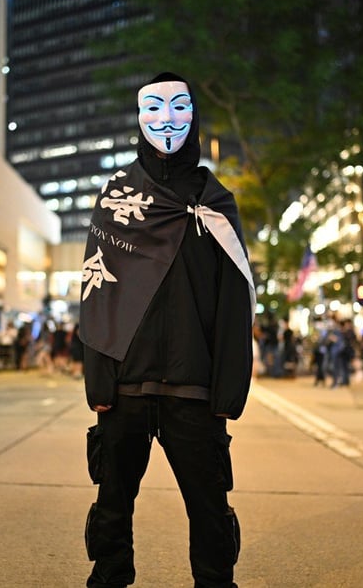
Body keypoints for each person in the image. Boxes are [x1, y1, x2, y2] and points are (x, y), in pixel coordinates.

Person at [80, 72, 254, 588]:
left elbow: (232, 306)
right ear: (138, 117)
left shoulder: (215, 203)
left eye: (180, 106)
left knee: (210, 517)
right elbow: (96, 293)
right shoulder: (116, 197)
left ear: (195, 115)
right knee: (111, 509)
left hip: (195, 391)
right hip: (125, 387)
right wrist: (99, 382)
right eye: (154, 107)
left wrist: (228, 391)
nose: (167, 119)